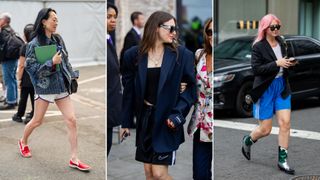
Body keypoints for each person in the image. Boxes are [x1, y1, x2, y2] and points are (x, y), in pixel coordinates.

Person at [121, 11, 197, 180]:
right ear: (155, 28)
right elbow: (128, 91)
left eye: (175, 29)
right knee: (149, 173)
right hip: (144, 120)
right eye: (170, 28)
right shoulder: (133, 55)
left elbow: (191, 89)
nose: (174, 33)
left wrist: (177, 114)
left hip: (167, 121)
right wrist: (125, 122)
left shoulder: (182, 55)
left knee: (159, 174)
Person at [18, 8, 90, 171]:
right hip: (45, 88)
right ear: (44, 21)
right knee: (37, 121)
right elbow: (31, 69)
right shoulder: (33, 44)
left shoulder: (58, 39)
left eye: (57, 19)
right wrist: (51, 62)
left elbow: (65, 59)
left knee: (71, 120)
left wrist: (72, 74)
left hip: (61, 86)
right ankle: (23, 141)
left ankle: (74, 158)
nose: (56, 22)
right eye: (53, 19)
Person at [241, 14, 296, 175]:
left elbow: (284, 63)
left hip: (282, 87)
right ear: (265, 28)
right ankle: (248, 140)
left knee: (285, 123)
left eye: (277, 26)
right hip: (265, 89)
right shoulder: (258, 46)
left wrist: (290, 63)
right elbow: (256, 69)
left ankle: (282, 161)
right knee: (265, 129)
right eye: (272, 27)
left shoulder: (282, 42)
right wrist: (276, 64)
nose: (276, 30)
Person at [187, 18, 213, 180]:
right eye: (209, 32)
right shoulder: (199, 55)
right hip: (201, 123)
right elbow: (190, 81)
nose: (212, 35)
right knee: (200, 174)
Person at [119, 11, 145, 129]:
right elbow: (127, 54)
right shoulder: (131, 35)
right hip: (133, 73)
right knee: (131, 96)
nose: (143, 21)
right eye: (141, 19)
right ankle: (131, 119)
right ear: (135, 21)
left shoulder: (138, 34)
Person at [106, 3, 122, 157]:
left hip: (111, 108)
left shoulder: (109, 39)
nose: (113, 20)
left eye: (115, 17)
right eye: (108, 17)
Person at [12, 24, 35, 124]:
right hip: (36, 77)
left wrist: (19, 78)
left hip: (26, 78)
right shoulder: (37, 45)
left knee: (24, 98)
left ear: (26, 35)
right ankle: (34, 114)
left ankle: (19, 115)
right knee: (35, 97)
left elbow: (21, 65)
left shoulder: (25, 47)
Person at [0, 12, 19, 110]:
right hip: (13, 59)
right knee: (13, 79)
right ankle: (15, 100)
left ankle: (11, 102)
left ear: (4, 21)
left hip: (7, 60)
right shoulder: (11, 30)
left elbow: (2, 47)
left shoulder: (4, 32)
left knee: (9, 81)